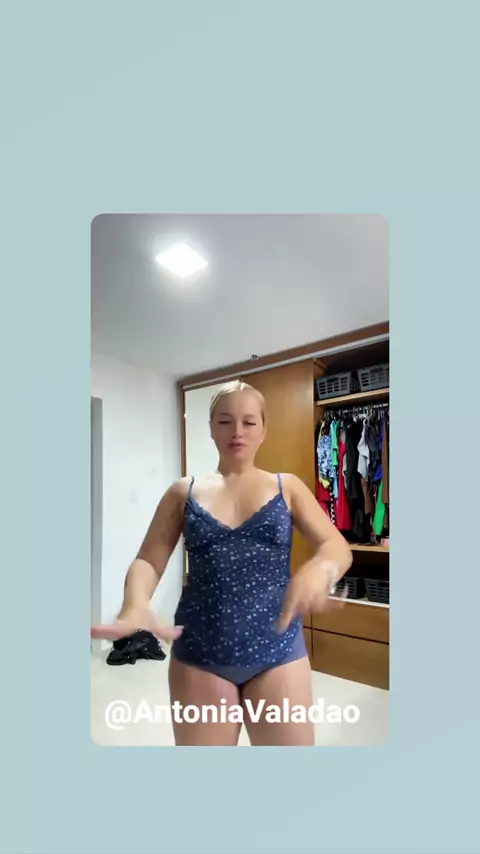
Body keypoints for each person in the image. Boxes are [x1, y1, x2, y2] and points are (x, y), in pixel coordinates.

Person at [91, 380, 353, 746]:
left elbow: (336, 547)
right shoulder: (182, 492)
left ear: (264, 429)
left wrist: (321, 569)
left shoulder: (288, 487)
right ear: (211, 428)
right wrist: (135, 604)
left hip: (278, 651)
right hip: (200, 653)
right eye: (225, 421)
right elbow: (148, 560)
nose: (237, 431)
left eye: (249, 422)